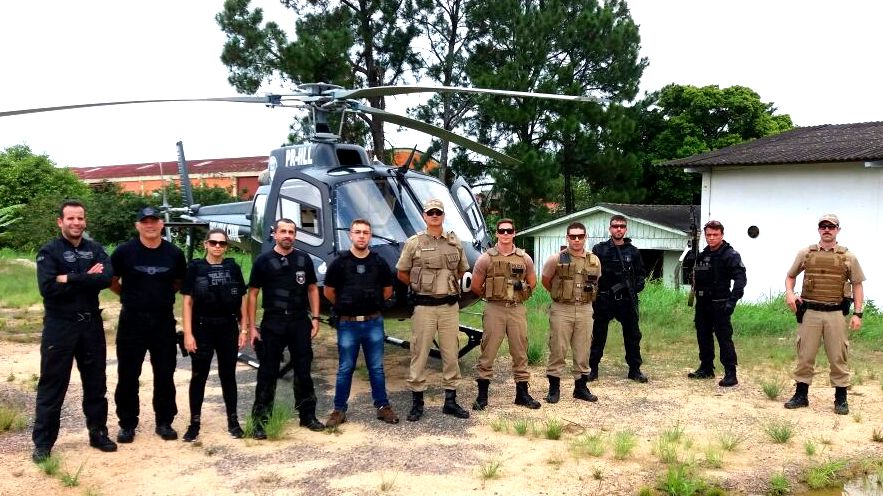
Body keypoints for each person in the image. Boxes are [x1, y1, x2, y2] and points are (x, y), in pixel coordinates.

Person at [31, 200, 117, 463]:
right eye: (70, 219)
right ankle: (43, 443)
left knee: (96, 383)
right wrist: (85, 278)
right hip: (61, 325)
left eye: (80, 218)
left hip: (91, 324)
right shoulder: (49, 251)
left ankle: (98, 432)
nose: (76, 223)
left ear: (85, 221)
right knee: (53, 384)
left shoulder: (95, 249)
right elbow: (48, 288)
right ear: (60, 222)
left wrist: (67, 277)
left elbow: (106, 278)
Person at [111, 206, 186, 443]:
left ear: (161, 224)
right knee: (128, 374)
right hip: (132, 321)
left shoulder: (174, 253)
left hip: (162, 321)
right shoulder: (124, 252)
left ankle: (164, 422)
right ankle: (127, 424)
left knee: (165, 373)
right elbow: (111, 280)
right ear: (137, 225)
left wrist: (158, 296)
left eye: (154, 221)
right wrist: (129, 296)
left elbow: (178, 281)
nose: (150, 225)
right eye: (145, 221)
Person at [247, 218, 324, 437]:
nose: (287, 235)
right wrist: (252, 327)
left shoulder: (303, 259)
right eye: (283, 231)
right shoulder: (263, 260)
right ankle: (260, 422)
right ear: (274, 234)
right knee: (267, 372)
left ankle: (307, 416)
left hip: (300, 321)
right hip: (273, 322)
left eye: (291, 231)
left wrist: (316, 318)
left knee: (303, 370)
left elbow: (311, 288)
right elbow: (252, 294)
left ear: (295, 235)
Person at [396, 199, 470, 422]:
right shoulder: (414, 243)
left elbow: (460, 270)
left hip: (449, 307)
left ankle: (450, 402)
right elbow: (402, 273)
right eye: (431, 213)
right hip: (424, 307)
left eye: (438, 212)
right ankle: (417, 403)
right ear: (424, 216)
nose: (435, 215)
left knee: (451, 354)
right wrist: (421, 286)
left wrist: (442, 285)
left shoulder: (454, 242)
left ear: (443, 216)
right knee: (419, 353)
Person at [783, 214, 865, 415]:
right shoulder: (806, 253)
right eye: (823, 226)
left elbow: (857, 285)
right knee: (805, 355)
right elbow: (790, 276)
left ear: (838, 229)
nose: (827, 229)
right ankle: (801, 395)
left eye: (831, 226)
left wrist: (858, 313)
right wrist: (790, 294)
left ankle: (841, 398)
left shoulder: (848, 257)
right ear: (818, 229)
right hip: (810, 312)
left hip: (835, 313)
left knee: (838, 356)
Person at [323, 219, 399, 428]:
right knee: (345, 368)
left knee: (376, 367)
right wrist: (347, 306)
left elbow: (387, 290)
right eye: (357, 232)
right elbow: (329, 292)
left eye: (366, 232)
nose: (362, 236)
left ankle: (383, 406)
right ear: (350, 235)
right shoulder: (339, 263)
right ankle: (339, 410)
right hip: (348, 324)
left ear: (370, 236)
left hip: (373, 323)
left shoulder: (378, 262)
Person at [180, 229, 248, 442]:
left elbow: (243, 300)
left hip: (228, 326)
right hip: (202, 327)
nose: (218, 246)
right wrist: (188, 334)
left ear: (226, 246)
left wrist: (244, 328)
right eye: (213, 242)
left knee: (228, 376)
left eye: (222, 243)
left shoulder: (233, 267)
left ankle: (233, 421)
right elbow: (187, 302)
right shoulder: (195, 268)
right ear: (205, 244)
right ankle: (194, 423)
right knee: (199, 376)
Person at [470, 219, 540, 411]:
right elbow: (475, 286)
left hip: (517, 308)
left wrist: (520, 288)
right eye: (502, 231)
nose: (506, 234)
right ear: (497, 234)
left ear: (514, 233)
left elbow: (533, 282)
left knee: (520, 351)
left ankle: (522, 394)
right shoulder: (486, 258)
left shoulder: (524, 258)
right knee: (488, 351)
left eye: (509, 230)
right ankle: (482, 396)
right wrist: (493, 295)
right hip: (494, 309)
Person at [541, 222, 602, 403]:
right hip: (562, 308)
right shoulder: (556, 259)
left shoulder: (594, 260)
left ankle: (581, 388)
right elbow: (546, 281)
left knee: (583, 348)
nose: (576, 240)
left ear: (585, 237)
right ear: (567, 238)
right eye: (573, 236)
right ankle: (554, 389)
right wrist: (561, 295)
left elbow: (597, 281)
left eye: (580, 236)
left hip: (584, 308)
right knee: (558, 348)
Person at [687, 220, 747, 387]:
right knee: (703, 335)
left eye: (715, 235)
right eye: (708, 235)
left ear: (722, 235)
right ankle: (706, 368)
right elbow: (694, 276)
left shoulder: (730, 254)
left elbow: (741, 279)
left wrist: (732, 301)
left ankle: (730, 373)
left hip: (720, 303)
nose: (711, 238)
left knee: (724, 338)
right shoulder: (703, 254)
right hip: (703, 303)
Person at [589, 215, 648, 383]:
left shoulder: (633, 251)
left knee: (632, 335)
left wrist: (634, 288)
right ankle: (592, 368)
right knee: (598, 334)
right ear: (610, 229)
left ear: (626, 229)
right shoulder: (600, 250)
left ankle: (635, 369)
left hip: (626, 300)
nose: (619, 229)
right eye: (615, 226)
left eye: (622, 226)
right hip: (604, 299)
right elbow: (592, 274)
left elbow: (641, 275)